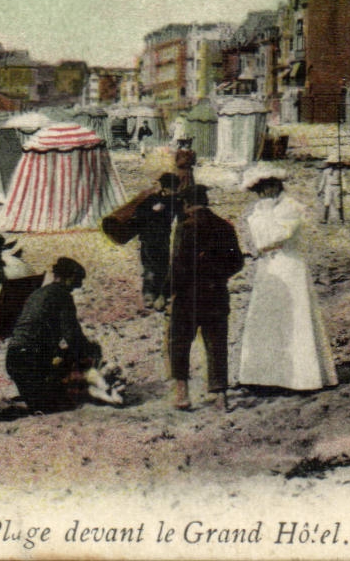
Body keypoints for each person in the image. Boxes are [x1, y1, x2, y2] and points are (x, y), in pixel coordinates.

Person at [236, 165, 337, 392]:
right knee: (267, 320)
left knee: (293, 320)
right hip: (269, 269)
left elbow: (272, 238)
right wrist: (261, 218)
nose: (263, 194)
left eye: (266, 188)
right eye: (259, 191)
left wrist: (262, 218)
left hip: (289, 266)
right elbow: (257, 238)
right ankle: (264, 377)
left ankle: (299, 380)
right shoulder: (263, 210)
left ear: (275, 185)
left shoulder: (290, 207)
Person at [4, 258, 121, 413]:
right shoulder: (62, 295)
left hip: (15, 360)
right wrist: (91, 354)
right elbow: (73, 336)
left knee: (43, 398)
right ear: (71, 277)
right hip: (30, 362)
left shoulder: (38, 294)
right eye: (78, 280)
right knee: (64, 401)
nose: (78, 286)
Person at [167, 185, 246, 410]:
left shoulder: (184, 227)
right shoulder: (224, 226)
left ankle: (182, 394)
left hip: (187, 296)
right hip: (216, 294)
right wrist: (217, 274)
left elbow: (178, 264)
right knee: (216, 345)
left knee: (179, 342)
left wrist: (169, 292)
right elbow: (237, 262)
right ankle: (220, 396)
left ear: (186, 204)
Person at [133, 174, 183, 311]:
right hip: (149, 238)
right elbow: (138, 214)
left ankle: (159, 296)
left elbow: (182, 216)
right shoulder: (152, 199)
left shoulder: (175, 201)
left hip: (162, 239)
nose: (172, 191)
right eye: (170, 188)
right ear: (164, 188)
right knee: (150, 269)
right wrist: (152, 211)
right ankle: (149, 296)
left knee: (162, 267)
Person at [317, 156, 345, 224]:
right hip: (328, 187)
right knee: (327, 202)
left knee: (338, 203)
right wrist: (320, 189)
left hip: (337, 187)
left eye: (334, 164)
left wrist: (344, 189)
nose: (333, 165)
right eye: (331, 163)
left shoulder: (340, 171)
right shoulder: (326, 171)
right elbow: (323, 181)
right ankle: (325, 219)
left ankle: (341, 219)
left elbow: (343, 180)